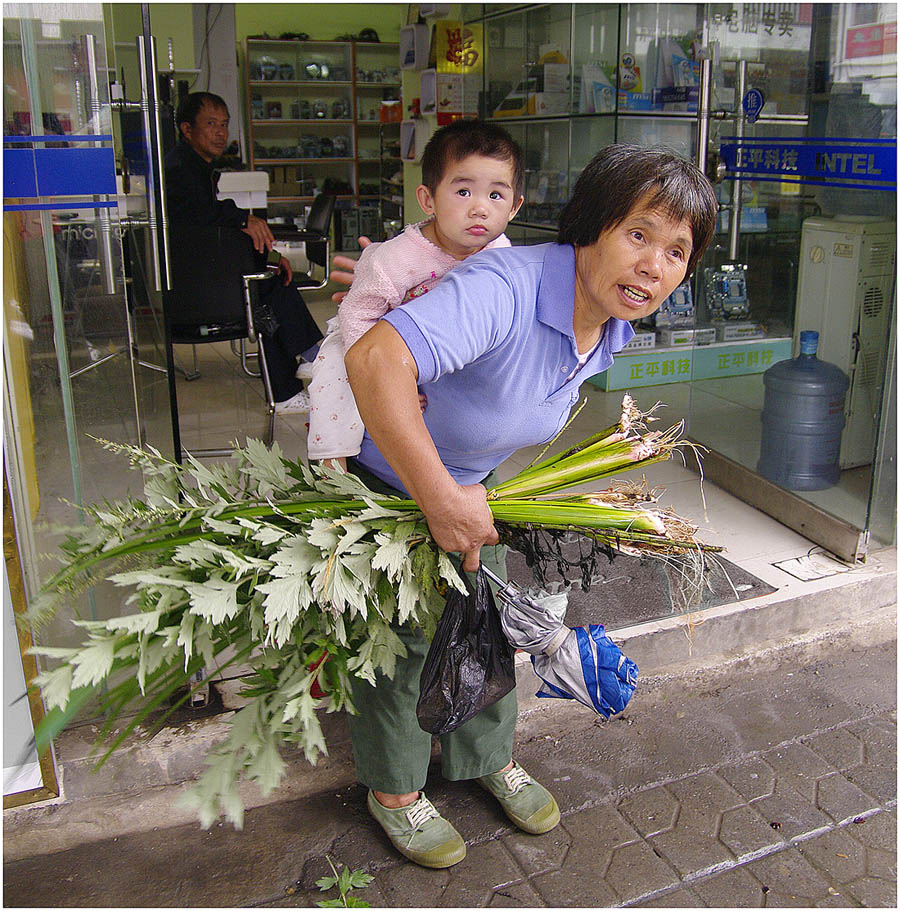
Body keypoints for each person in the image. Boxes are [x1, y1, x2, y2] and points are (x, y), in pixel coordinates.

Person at [341, 144, 718, 869]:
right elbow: (375, 361)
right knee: (403, 640)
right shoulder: (507, 288)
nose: (654, 265)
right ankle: (393, 789)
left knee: (489, 622)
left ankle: (484, 755)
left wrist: (467, 500)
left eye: (677, 252)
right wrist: (438, 496)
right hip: (391, 484)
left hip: (471, 491)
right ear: (593, 225)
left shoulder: (608, 324)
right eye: (639, 234)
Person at [304, 120, 523, 465]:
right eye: (463, 192)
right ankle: (333, 462)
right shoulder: (398, 257)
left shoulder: (501, 253)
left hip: (440, 345)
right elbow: (356, 314)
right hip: (371, 333)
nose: (480, 207)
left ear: (514, 207)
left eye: (496, 195)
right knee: (334, 375)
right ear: (428, 199)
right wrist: (389, 380)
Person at [164, 92, 322, 413]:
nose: (221, 133)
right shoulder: (181, 173)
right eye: (211, 124)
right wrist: (243, 220)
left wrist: (270, 256)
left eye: (224, 125)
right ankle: (304, 368)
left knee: (270, 285)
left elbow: (213, 221)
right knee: (264, 292)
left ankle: (301, 372)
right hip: (191, 297)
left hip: (204, 285)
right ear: (186, 128)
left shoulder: (194, 169)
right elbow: (201, 225)